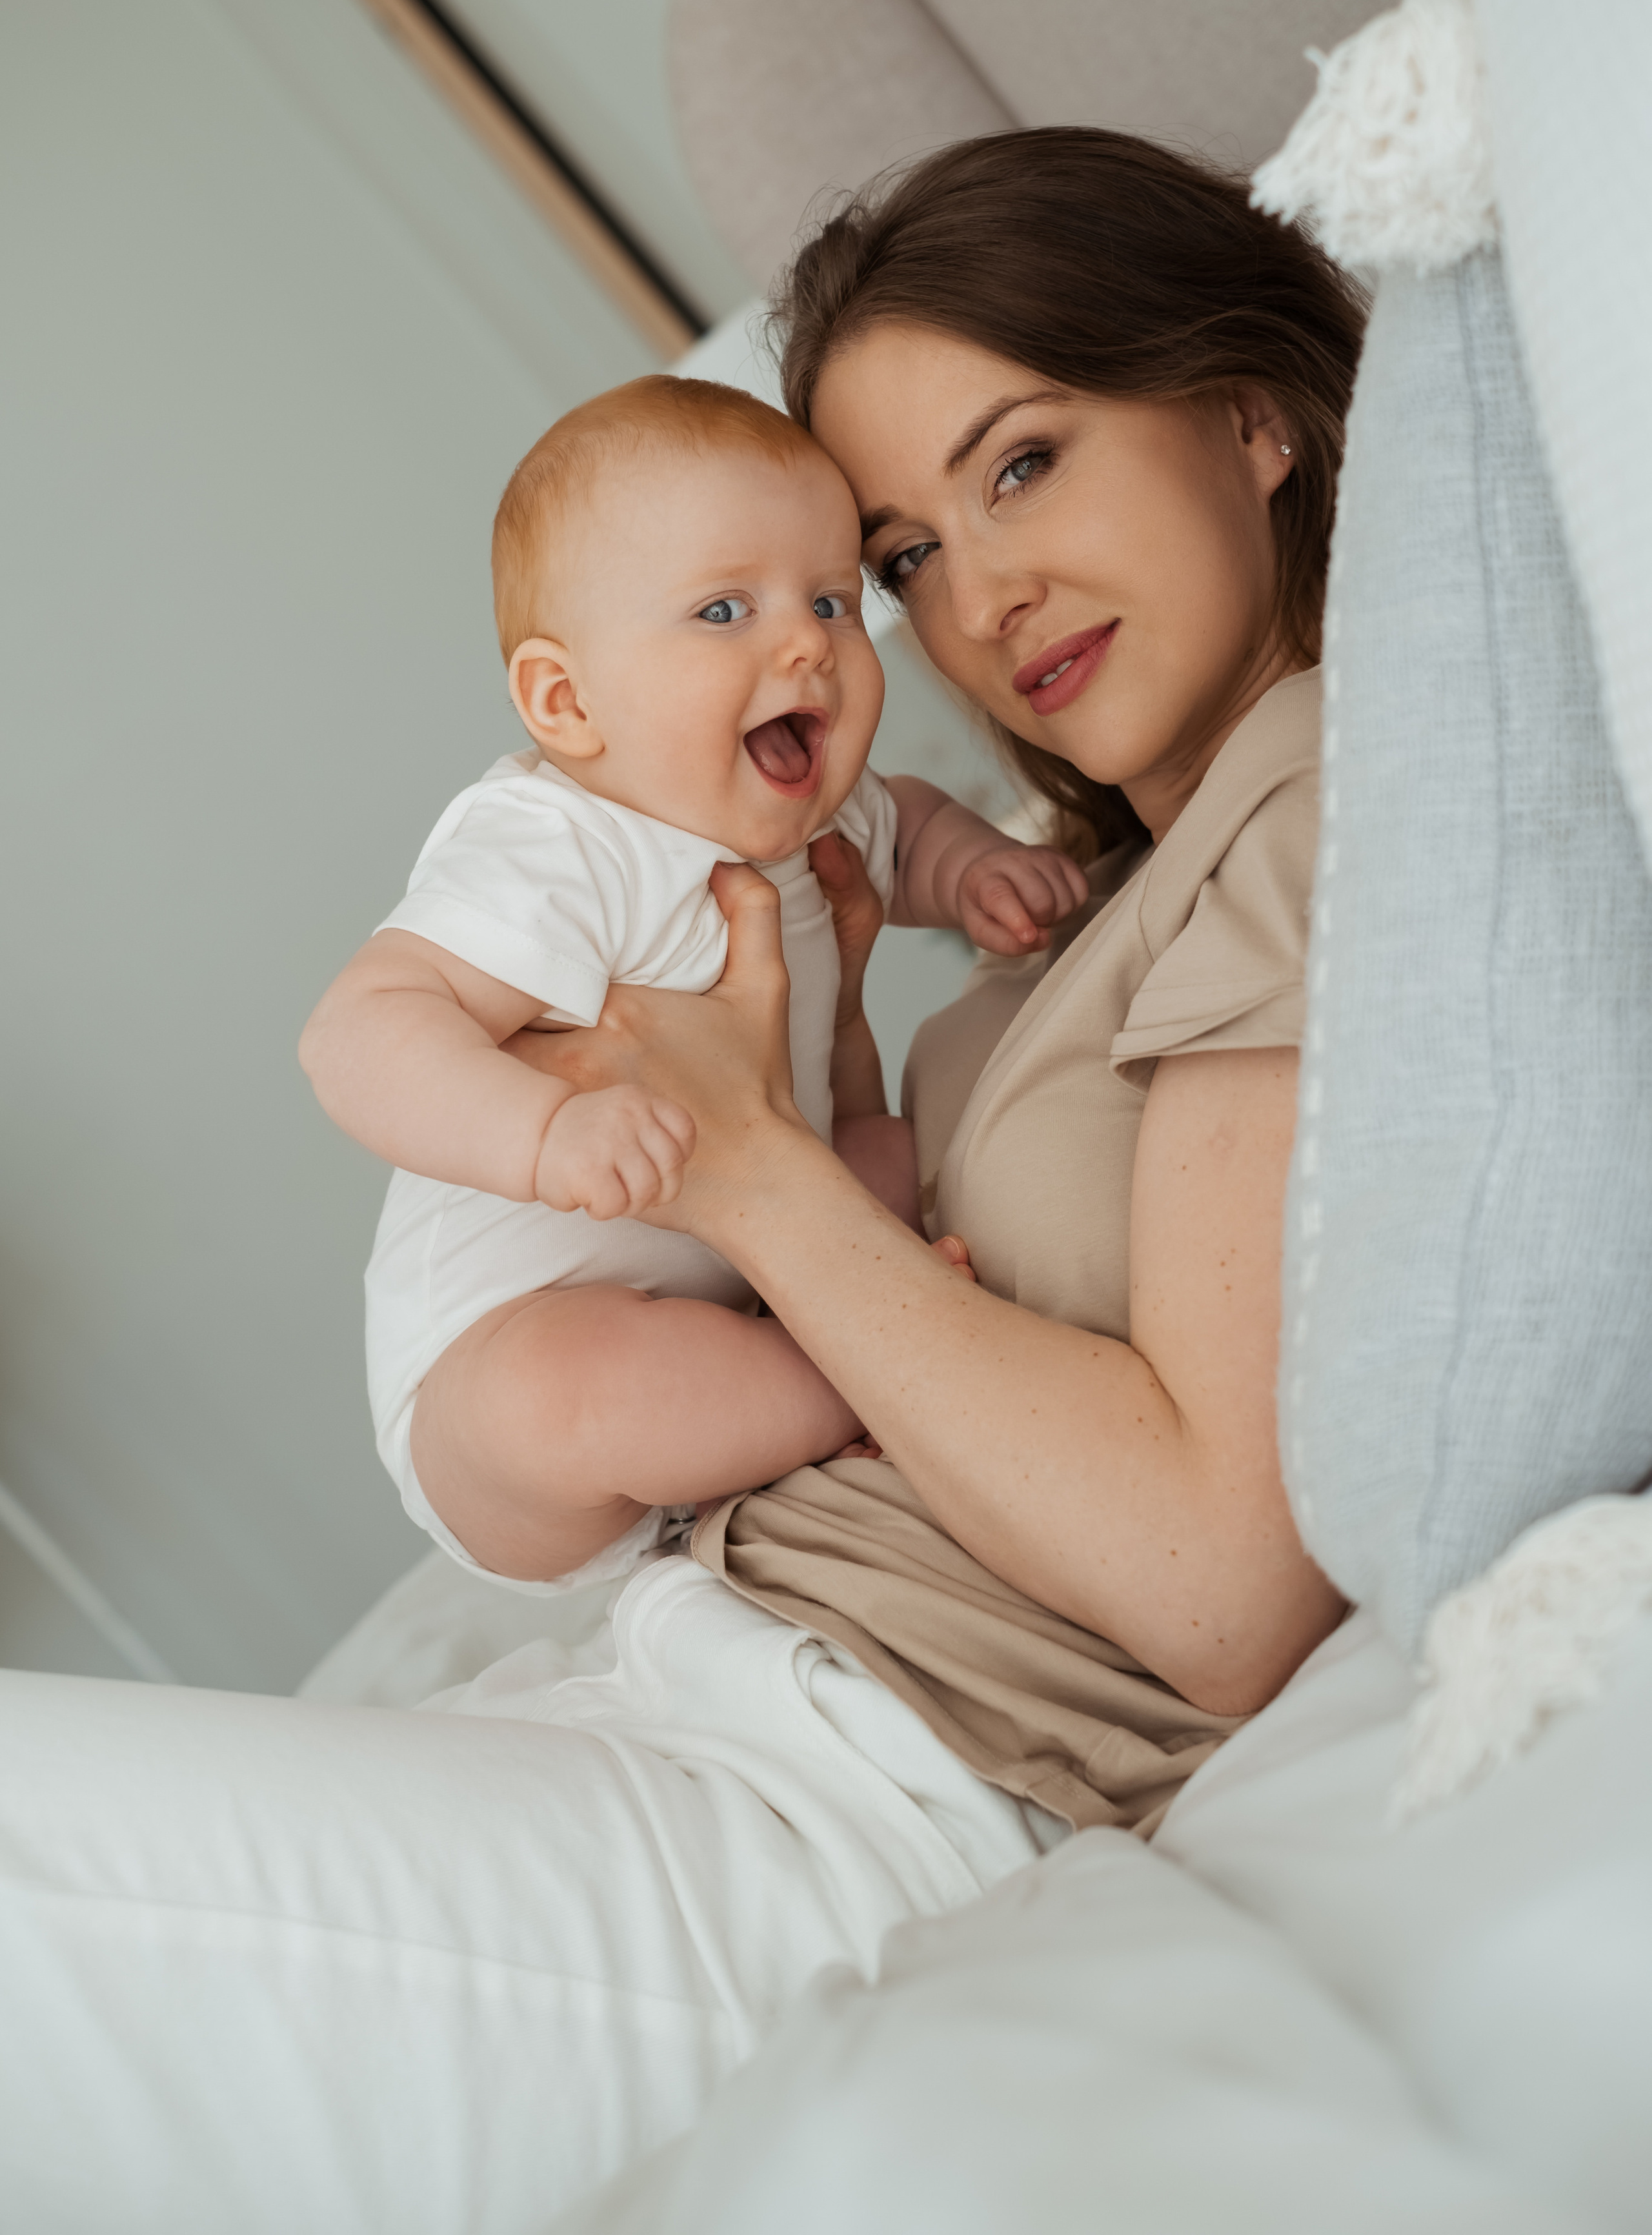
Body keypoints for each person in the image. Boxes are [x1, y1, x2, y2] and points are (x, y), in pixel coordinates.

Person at [0, 129, 1367, 2229]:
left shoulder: (1310, 801)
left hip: (864, 1790)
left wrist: (739, 1165)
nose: (971, 603)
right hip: (705, 1676)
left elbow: (1216, 1587)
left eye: (1024, 464)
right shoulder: (1103, 883)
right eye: (905, 554)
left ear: (1253, 419)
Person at [299, 373, 1083, 1592]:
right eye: (725, 610)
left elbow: (911, 826)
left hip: (748, 1278)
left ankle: (841, 1362)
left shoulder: (819, 816)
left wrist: (975, 869)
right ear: (568, 702)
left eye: (832, 600)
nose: (806, 643)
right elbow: (358, 1033)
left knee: (891, 1153)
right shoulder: (561, 839)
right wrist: (547, 1132)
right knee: (568, 1392)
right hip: (496, 1373)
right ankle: (861, 1377)